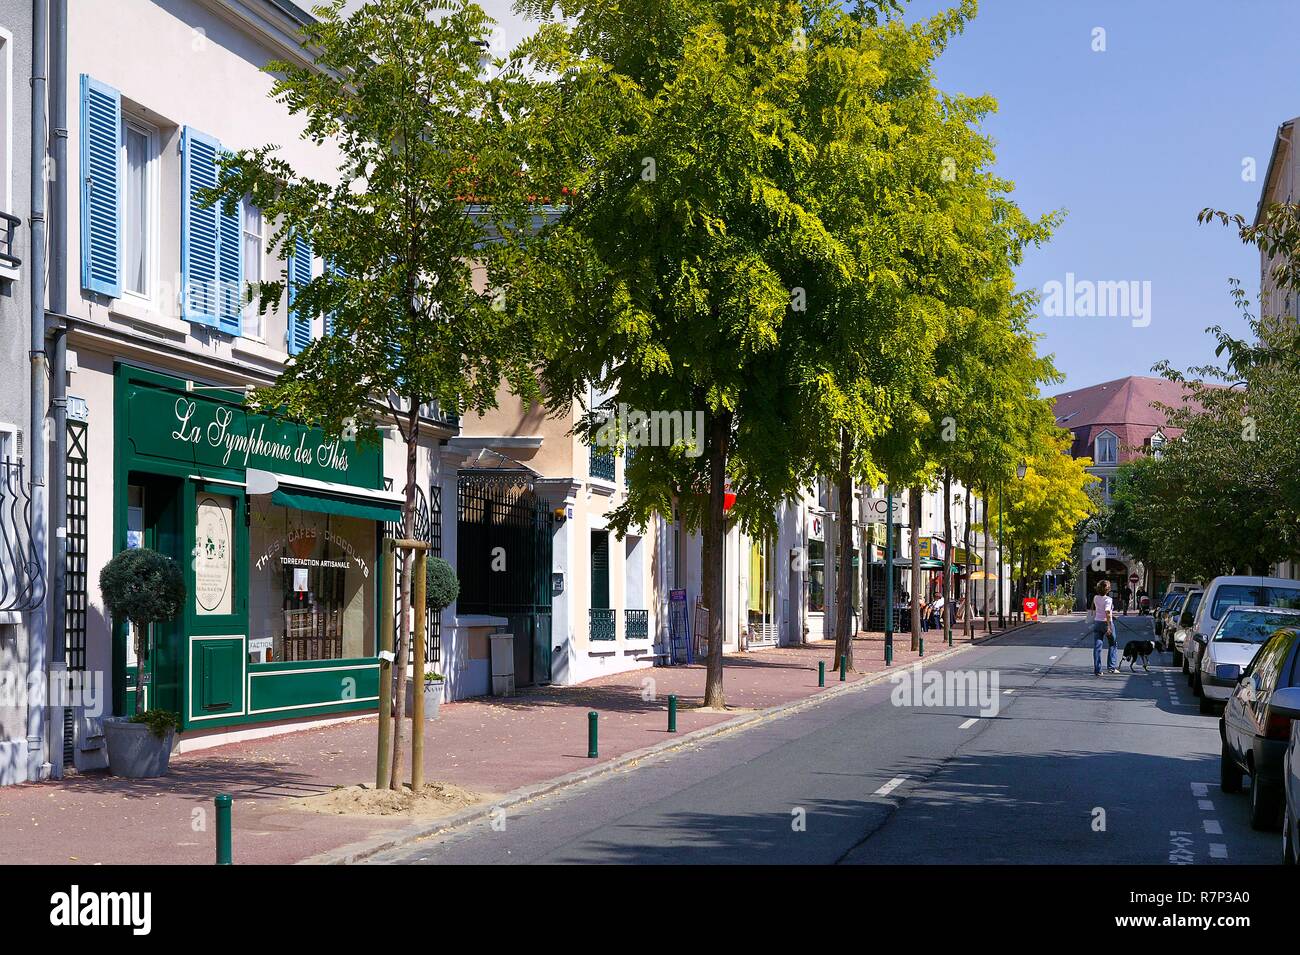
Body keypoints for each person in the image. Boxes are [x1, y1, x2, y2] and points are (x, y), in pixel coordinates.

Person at [1091, 580, 1118, 676]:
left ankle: (1097, 670)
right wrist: (1109, 626)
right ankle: (1111, 667)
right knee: (1113, 643)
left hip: (1097, 622)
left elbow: (1100, 609)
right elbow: (1106, 611)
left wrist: (1111, 614)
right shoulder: (1108, 599)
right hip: (1106, 623)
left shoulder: (1095, 598)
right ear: (1108, 589)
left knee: (1097, 647)